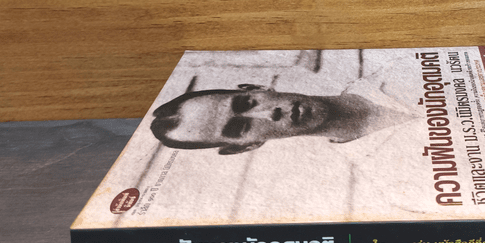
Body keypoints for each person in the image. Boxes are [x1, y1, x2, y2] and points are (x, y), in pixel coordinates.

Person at [150, 83, 413, 155]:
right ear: (246, 146)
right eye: (240, 127)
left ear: (257, 87)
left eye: (247, 103)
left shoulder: (389, 70)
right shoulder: (370, 174)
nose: (270, 113)